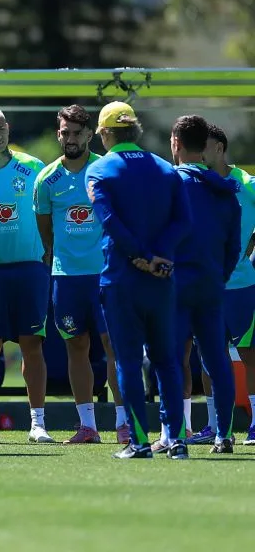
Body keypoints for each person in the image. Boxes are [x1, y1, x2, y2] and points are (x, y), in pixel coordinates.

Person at [86, 101, 192, 460]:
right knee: (167, 360)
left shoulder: (100, 170)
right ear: (137, 131)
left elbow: (110, 221)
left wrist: (140, 258)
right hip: (162, 278)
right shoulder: (166, 169)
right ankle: (176, 440)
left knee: (127, 361)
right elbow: (183, 222)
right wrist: (158, 256)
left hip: (121, 278)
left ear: (105, 133)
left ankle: (139, 442)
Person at [33, 105, 127, 444]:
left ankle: (123, 422)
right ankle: (87, 425)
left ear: (90, 134)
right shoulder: (47, 179)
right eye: (64, 132)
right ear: (58, 134)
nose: (70, 139)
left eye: (77, 133)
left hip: (106, 276)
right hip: (66, 278)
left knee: (114, 346)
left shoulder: (105, 171)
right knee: (76, 346)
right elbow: (46, 232)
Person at [0, 107, 52, 443]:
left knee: (33, 344)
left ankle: (38, 423)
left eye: (1, 128)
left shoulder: (32, 168)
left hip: (29, 268)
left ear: (8, 129)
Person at [163, 115, 239, 455]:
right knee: (217, 361)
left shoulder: (167, 184)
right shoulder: (225, 190)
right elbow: (233, 247)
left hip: (173, 287)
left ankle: (174, 436)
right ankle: (224, 435)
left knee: (171, 361)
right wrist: (217, 276)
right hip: (210, 286)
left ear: (176, 144)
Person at [202, 125, 255, 446]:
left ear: (219, 148)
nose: (200, 154)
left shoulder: (247, 184)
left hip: (242, 287)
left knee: (249, 354)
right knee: (211, 355)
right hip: (207, 287)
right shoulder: (196, 183)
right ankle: (213, 425)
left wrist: (250, 245)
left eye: (204, 148)